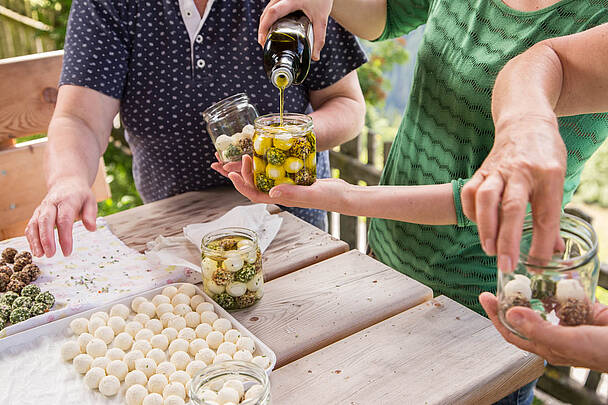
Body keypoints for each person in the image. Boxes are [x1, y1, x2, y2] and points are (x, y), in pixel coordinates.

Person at [231, 1, 608, 402]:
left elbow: (485, 202)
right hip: (386, 268)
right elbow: (383, 17)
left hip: (478, 310)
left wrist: (348, 197)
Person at [24, 0, 367, 258]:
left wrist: (277, 142)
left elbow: (346, 104)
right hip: (174, 239)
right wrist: (68, 180)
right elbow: (79, 119)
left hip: (292, 226)